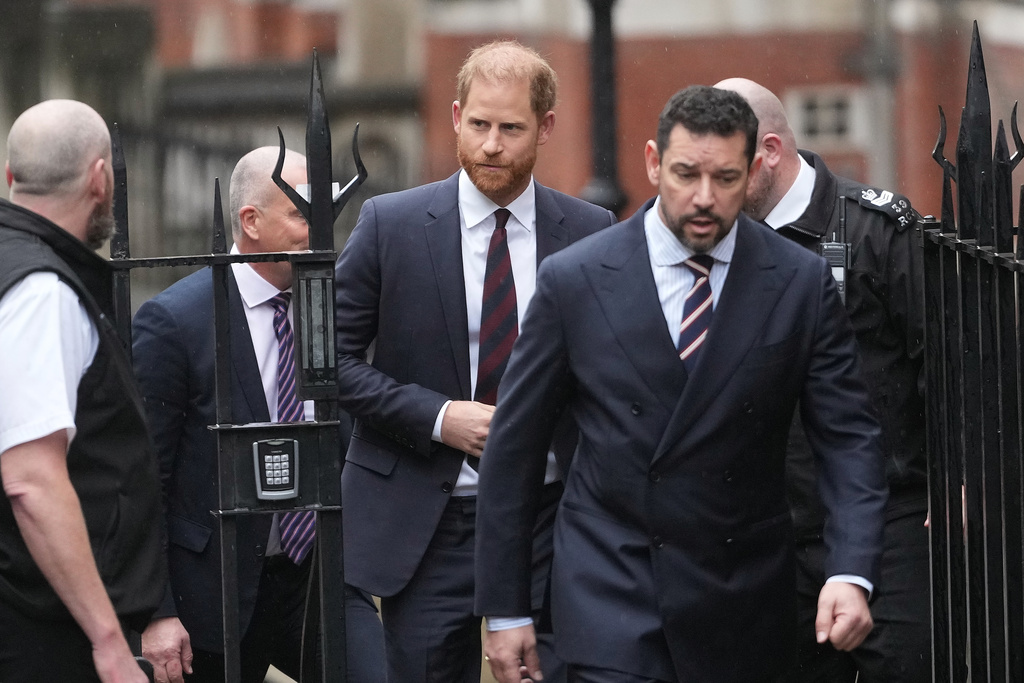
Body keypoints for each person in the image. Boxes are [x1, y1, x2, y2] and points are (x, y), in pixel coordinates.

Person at [475, 85, 889, 683]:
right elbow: (514, 450)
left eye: (724, 178)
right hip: (610, 592)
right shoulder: (575, 280)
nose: (703, 198)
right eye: (685, 173)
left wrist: (851, 572)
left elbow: (849, 438)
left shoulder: (799, 282)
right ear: (652, 163)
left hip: (742, 597)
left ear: (753, 171)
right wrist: (507, 606)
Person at [333, 40, 617, 682]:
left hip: (554, 515)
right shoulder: (389, 224)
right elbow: (329, 365)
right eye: (480, 124)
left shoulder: (591, 230)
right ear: (457, 116)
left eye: (512, 128)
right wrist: (439, 418)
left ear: (545, 128)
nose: (492, 144)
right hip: (430, 521)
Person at [132, 146, 385, 683]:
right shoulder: (174, 323)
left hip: (316, 577)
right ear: (250, 221)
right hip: (212, 592)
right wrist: (156, 611)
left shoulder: (331, 308)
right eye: (300, 214)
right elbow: (143, 479)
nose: (318, 230)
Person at [715, 77, 929, 683]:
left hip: (891, 514)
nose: (709, 192)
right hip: (767, 528)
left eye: (727, 171)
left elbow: (952, 357)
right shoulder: (708, 243)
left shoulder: (876, 231)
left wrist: (965, 479)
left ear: (771, 153)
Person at [0, 99, 164, 682]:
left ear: (11, 177)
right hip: (40, 628)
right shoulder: (40, 290)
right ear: (101, 179)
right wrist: (108, 641)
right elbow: (31, 480)